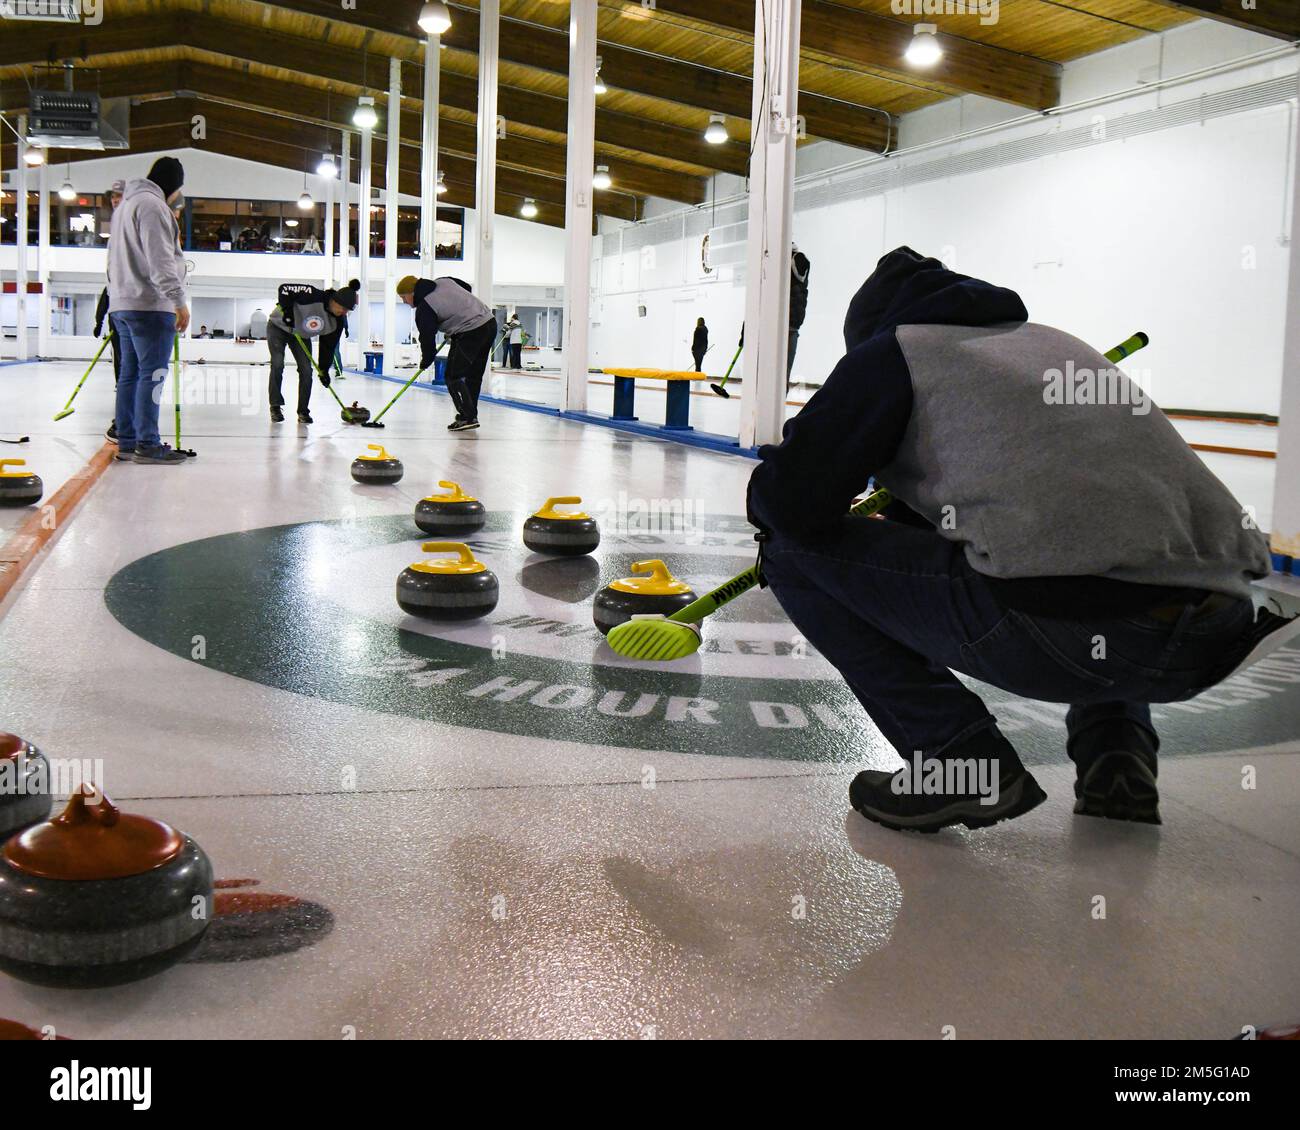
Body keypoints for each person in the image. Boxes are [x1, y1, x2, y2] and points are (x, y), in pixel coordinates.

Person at [748, 246, 1288, 833]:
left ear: (870, 330)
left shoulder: (895, 352)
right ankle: (1116, 757)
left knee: (790, 553)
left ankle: (959, 758)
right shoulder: (1055, 345)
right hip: (1221, 629)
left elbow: (789, 504)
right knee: (1098, 543)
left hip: (1074, 635)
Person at [108, 157, 190, 465]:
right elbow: (161, 262)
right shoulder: (153, 207)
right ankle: (148, 443)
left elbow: (112, 260)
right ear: (171, 185)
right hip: (150, 304)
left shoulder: (124, 207)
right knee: (151, 374)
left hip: (123, 302)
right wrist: (178, 302)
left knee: (129, 374)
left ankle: (128, 441)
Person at [396, 275, 496, 432]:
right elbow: (466, 288)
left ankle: (467, 416)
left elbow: (427, 337)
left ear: (412, 293)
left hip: (470, 331)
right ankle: (469, 416)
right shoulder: (444, 281)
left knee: (452, 376)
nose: (404, 301)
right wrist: (456, 316)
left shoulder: (425, 307)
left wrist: (426, 361)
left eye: (403, 297)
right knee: (473, 375)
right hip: (489, 323)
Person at [265, 278, 359, 423]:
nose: (344, 313)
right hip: (279, 326)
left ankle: (303, 411)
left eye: (347, 310)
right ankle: (275, 406)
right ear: (335, 301)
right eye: (343, 308)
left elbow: (328, 347)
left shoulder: (336, 322)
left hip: (300, 335)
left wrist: (324, 370)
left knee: (306, 370)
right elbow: (284, 289)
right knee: (277, 363)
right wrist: (288, 313)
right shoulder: (313, 295)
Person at [95, 179, 126, 442]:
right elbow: (108, 284)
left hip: (132, 307)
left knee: (131, 368)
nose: (115, 201)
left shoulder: (129, 225)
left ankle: (127, 422)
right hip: (119, 308)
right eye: (113, 197)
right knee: (123, 368)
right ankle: (126, 420)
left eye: (120, 196)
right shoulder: (115, 231)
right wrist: (101, 316)